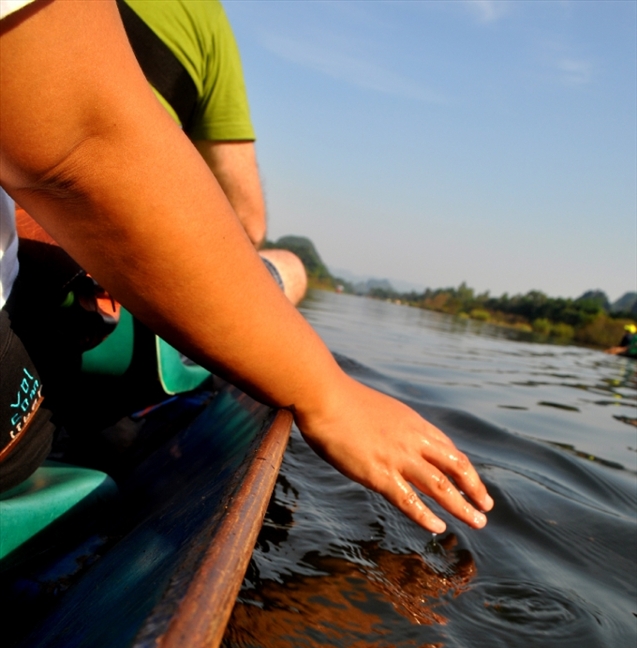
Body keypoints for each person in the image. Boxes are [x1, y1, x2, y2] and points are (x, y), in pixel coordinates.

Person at [0, 0, 493, 534]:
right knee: (287, 266)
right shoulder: (198, 14)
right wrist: (326, 393)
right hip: (53, 339)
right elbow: (93, 149)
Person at [118, 0, 307, 305]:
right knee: (291, 266)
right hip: (113, 281)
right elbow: (248, 226)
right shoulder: (203, 13)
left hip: (20, 232)